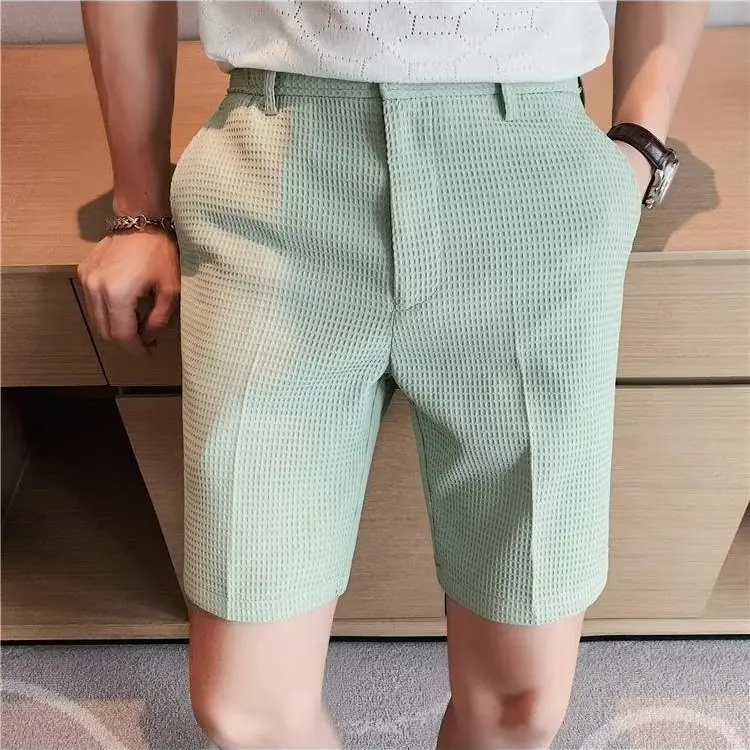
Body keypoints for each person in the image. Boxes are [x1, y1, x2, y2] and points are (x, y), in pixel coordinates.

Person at [78, 2, 707, 748]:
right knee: (244, 705)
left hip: (531, 178)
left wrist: (641, 142)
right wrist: (138, 210)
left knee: (523, 702)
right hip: (273, 169)